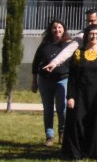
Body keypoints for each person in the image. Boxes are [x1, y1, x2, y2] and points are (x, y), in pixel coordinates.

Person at [62, 24, 97, 161]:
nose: (94, 37)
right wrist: (70, 96)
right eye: (91, 34)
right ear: (86, 36)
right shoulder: (79, 52)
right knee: (77, 122)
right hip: (80, 95)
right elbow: (72, 77)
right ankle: (76, 153)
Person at [31, 18, 72, 146]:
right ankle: (49, 136)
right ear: (50, 30)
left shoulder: (69, 45)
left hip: (63, 80)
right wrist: (34, 81)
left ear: (64, 29)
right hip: (45, 81)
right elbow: (36, 64)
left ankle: (63, 132)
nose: (57, 30)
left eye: (59, 27)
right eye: (54, 28)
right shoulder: (44, 45)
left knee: (63, 109)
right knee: (48, 109)